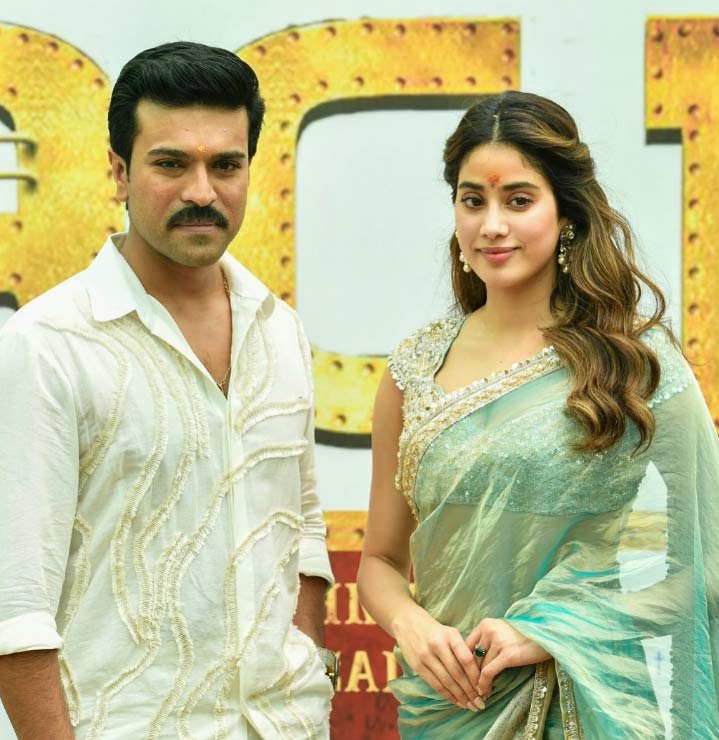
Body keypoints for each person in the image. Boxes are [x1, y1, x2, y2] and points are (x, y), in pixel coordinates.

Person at [0, 42, 335, 740]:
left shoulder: (279, 330)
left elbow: (301, 532)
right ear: (120, 172)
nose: (201, 192)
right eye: (171, 164)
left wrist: (305, 677)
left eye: (226, 165)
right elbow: (16, 605)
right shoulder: (50, 343)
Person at [357, 91, 719, 738]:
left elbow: (699, 566)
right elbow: (379, 561)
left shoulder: (634, 366)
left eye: (519, 201)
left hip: (590, 707)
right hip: (450, 706)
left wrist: (548, 630)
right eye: (473, 201)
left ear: (565, 214)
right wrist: (413, 627)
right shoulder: (413, 372)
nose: (491, 225)